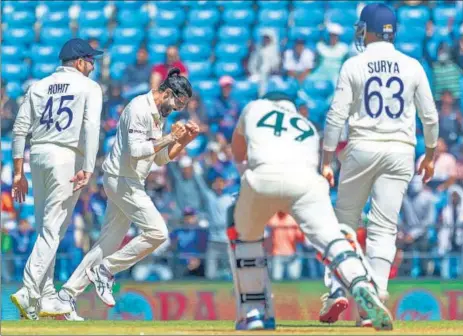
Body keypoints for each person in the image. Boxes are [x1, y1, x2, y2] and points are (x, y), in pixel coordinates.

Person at [228, 91, 393, 331]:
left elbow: (238, 152)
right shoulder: (307, 126)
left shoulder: (254, 107)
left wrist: (249, 187)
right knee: (332, 239)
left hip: (262, 176)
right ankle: (361, 283)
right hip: (307, 183)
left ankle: (254, 312)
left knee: (243, 234)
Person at [319, 3, 438, 327]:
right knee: (384, 228)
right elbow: (430, 116)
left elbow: (335, 117)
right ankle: (378, 294)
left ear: (367, 30)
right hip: (400, 150)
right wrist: (429, 156)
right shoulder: (412, 65)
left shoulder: (353, 64)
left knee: (343, 224)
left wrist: (327, 160)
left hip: (361, 147)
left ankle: (334, 292)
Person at [50, 68, 199, 317]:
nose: (175, 110)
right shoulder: (139, 108)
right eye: (177, 104)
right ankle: (106, 270)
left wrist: (183, 141)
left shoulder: (159, 114)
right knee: (158, 233)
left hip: (130, 181)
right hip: (122, 180)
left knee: (105, 244)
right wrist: (169, 138)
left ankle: (65, 296)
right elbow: (137, 151)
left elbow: (160, 159)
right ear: (168, 92)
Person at [10, 38, 104, 320]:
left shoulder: (37, 86)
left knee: (46, 229)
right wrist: (88, 166)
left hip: (37, 156)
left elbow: (19, 129)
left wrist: (17, 173)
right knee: (54, 229)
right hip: (66, 156)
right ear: (79, 62)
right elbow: (91, 126)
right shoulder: (89, 86)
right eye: (91, 60)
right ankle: (29, 289)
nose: (93, 65)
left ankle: (48, 296)